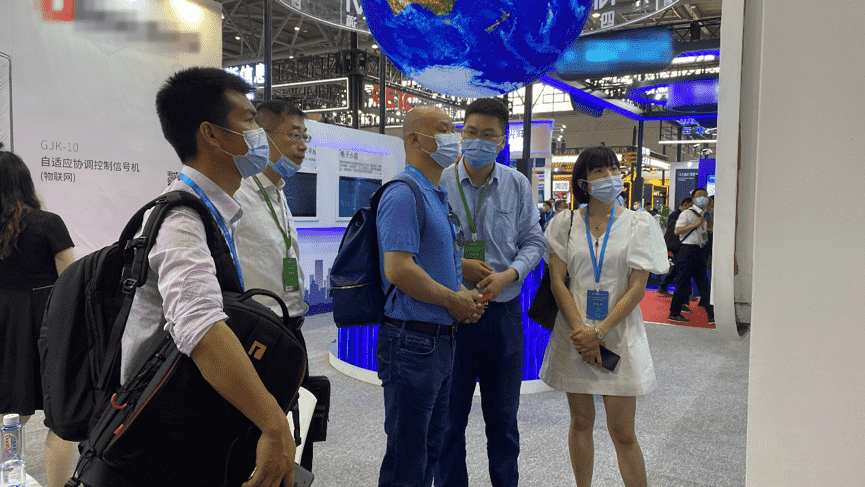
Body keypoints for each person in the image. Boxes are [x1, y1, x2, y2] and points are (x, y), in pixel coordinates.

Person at [115, 67, 296, 486]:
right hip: (161, 435)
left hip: (186, 418)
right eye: (248, 120)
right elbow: (200, 327)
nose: (258, 134)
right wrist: (273, 424)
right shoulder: (181, 218)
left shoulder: (211, 211)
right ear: (212, 134)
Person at [539, 146, 668, 487]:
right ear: (583, 181)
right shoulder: (565, 223)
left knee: (623, 431)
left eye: (613, 168)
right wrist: (582, 332)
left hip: (619, 334)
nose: (610, 176)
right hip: (575, 334)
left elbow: (637, 287)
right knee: (581, 422)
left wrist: (599, 332)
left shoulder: (638, 223)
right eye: (599, 171)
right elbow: (557, 281)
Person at [436, 98, 546, 487]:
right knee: (448, 422)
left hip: (502, 317)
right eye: (470, 132)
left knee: (503, 422)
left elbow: (534, 240)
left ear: (501, 141)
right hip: (451, 315)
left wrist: (510, 275)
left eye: (487, 135)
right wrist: (459, 264)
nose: (477, 140)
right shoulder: (439, 181)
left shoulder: (517, 184)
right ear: (461, 133)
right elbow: (424, 244)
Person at [375, 105, 485, 487]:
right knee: (407, 459)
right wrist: (451, 300)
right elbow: (399, 268)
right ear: (415, 139)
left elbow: (435, 264)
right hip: (411, 343)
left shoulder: (436, 195)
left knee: (429, 451)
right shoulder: (403, 193)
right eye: (443, 129)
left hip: (438, 342)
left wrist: (462, 297)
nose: (454, 138)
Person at [0, 147, 77, 487]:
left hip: (5, 324)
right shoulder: (48, 223)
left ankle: (9, 477)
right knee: (61, 415)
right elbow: (71, 277)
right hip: (45, 324)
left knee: (10, 412)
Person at [234, 100, 309, 329]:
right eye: (294, 135)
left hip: (291, 324)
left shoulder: (278, 191)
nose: (303, 146)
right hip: (259, 326)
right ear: (263, 137)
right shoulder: (237, 194)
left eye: (305, 136)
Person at [667, 188, 714, 324]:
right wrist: (695, 224)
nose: (702, 198)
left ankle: (711, 314)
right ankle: (674, 313)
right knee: (683, 283)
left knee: (704, 283)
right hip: (687, 251)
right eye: (698, 196)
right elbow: (677, 231)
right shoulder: (687, 213)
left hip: (699, 250)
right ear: (693, 199)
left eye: (704, 195)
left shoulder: (705, 214)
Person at [657, 196, 693, 297]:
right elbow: (672, 232)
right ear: (685, 204)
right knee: (682, 269)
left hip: (677, 245)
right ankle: (687, 293)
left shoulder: (678, 214)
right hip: (675, 245)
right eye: (690, 206)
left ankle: (663, 287)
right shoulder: (676, 215)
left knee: (678, 268)